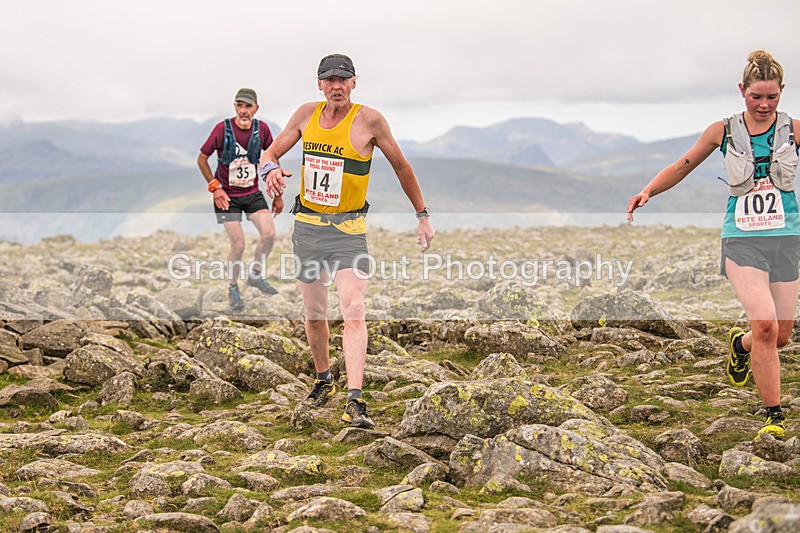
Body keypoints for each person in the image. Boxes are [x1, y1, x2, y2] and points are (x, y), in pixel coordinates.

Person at [627, 50, 799, 440]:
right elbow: (682, 165)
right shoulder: (721, 131)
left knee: (782, 336)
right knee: (767, 326)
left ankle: (741, 346)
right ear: (742, 91)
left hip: (786, 240)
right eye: (756, 96)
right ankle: (773, 416)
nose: (764, 104)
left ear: (782, 92)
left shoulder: (794, 130)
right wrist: (648, 191)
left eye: (772, 97)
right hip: (741, 241)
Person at [260, 54, 435, 428]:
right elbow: (270, 153)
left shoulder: (370, 120)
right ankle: (324, 379)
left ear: (354, 83)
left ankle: (355, 399)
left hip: (348, 233)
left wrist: (421, 214)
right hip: (307, 229)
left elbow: (402, 166)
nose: (336, 85)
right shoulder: (306, 115)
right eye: (329, 79)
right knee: (315, 313)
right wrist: (271, 170)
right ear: (319, 84)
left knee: (354, 307)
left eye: (343, 79)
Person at [198, 88, 283, 312]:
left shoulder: (261, 129)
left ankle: (255, 275)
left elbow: (271, 158)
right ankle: (233, 287)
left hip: (252, 193)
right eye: (239, 105)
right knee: (238, 244)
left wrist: (278, 195)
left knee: (270, 235)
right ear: (235, 106)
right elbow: (202, 158)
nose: (243, 111)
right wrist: (215, 187)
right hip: (227, 197)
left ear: (256, 108)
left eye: (248, 106)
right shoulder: (222, 129)